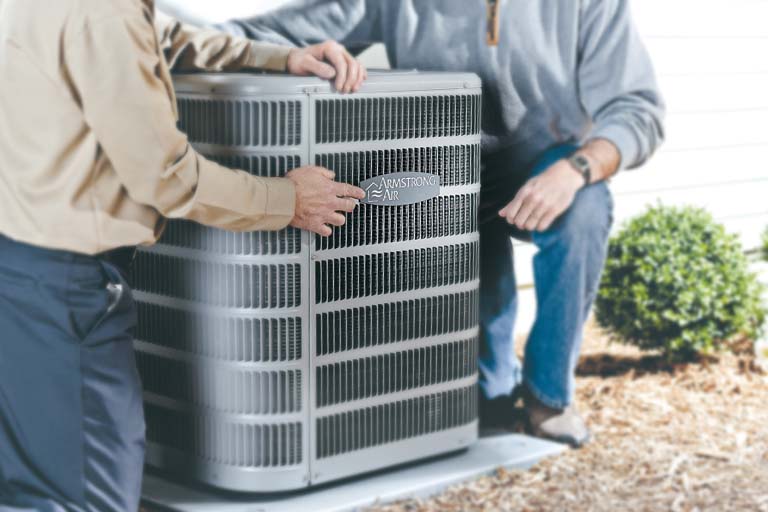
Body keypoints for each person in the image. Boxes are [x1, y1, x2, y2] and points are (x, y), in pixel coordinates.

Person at [220, 0, 666, 447]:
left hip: (545, 166)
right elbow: (254, 34)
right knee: (481, 399)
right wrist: (176, 44)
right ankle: (487, 384)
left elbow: (636, 108)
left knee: (585, 208)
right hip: (444, 166)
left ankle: (547, 396)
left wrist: (576, 170)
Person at [0, 0, 367, 510]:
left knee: (34, 479)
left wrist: (279, 58)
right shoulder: (106, 12)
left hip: (20, 265)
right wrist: (287, 201)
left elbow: (163, 35)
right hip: (66, 283)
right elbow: (163, 176)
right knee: (89, 490)